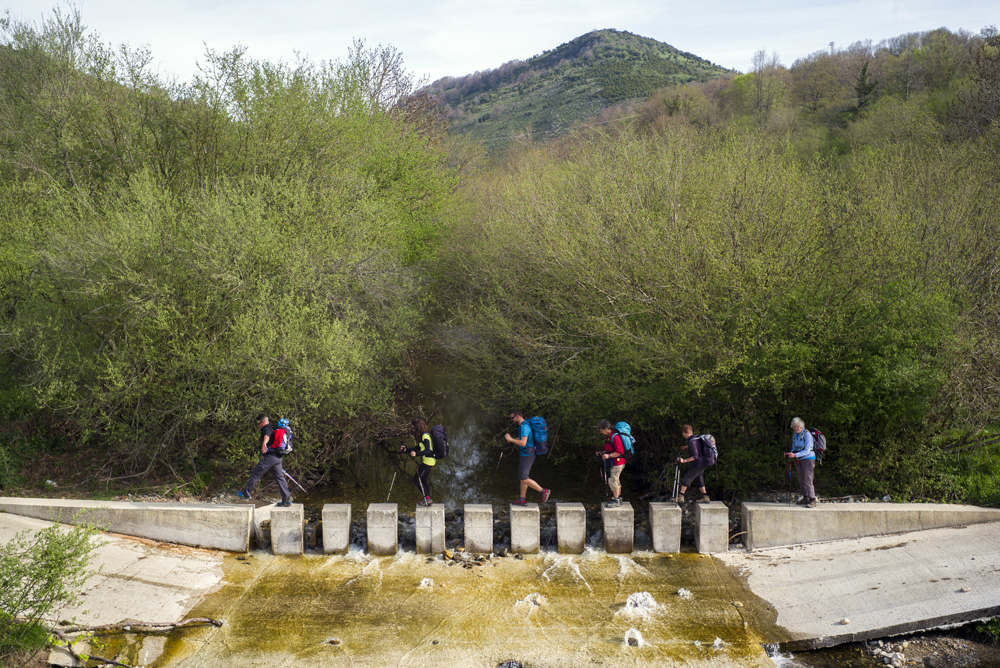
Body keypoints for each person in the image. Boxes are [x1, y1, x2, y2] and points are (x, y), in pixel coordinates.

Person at [238, 414, 292, 507]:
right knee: (279, 478)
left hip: (271, 457)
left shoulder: (266, 428)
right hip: (278, 457)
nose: (258, 426)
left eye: (258, 423)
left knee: (256, 473)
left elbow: (266, 436)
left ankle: (246, 494)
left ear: (263, 422)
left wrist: (264, 444)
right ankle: (286, 500)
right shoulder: (273, 427)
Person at [504, 410, 551, 506]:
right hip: (526, 453)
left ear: (518, 416)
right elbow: (522, 439)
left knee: (523, 477)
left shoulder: (524, 427)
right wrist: (512, 440)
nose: (511, 420)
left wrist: (511, 439)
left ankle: (543, 491)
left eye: (512, 418)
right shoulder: (524, 425)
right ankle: (522, 499)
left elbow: (523, 443)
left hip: (528, 454)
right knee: (523, 477)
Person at [401, 418, 435, 507]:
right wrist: (407, 449)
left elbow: (427, 450)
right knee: (424, 479)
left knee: (416, 479)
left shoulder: (425, 437)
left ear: (417, 427)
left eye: (413, 428)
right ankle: (428, 498)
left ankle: (427, 498)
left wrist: (416, 454)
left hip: (428, 462)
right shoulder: (423, 436)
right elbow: (418, 448)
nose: (413, 430)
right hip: (429, 461)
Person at [784, 417, 817, 507]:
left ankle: (812, 499)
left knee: (808, 479)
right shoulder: (795, 435)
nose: (796, 428)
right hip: (799, 459)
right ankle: (805, 497)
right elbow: (794, 448)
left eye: (797, 426)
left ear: (802, 426)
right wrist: (790, 453)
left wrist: (795, 455)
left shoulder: (807, 435)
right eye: (794, 427)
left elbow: (807, 450)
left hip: (808, 459)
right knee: (801, 478)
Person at [674, 424, 711, 503]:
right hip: (703, 462)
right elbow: (697, 448)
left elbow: (695, 456)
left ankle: (681, 497)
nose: (683, 435)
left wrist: (684, 461)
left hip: (698, 464)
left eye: (683, 434)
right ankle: (705, 497)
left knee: (687, 478)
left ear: (687, 432)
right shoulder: (696, 438)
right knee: (699, 479)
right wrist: (687, 447)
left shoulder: (692, 441)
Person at [595, 419, 626, 506]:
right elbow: (610, 449)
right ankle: (618, 499)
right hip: (615, 462)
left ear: (606, 428)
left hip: (618, 462)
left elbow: (619, 451)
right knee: (616, 480)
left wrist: (609, 456)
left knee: (612, 480)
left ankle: (616, 500)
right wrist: (602, 453)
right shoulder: (609, 437)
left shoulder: (615, 437)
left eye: (601, 430)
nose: (601, 432)